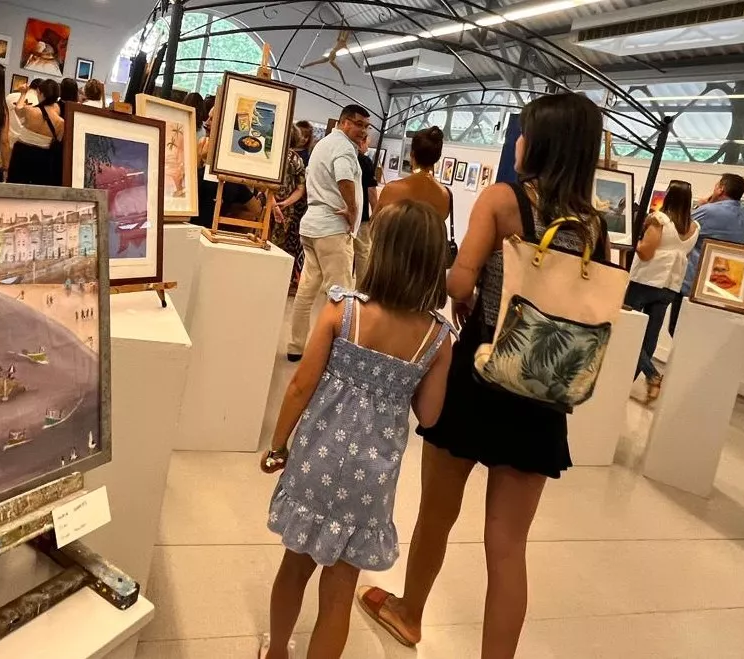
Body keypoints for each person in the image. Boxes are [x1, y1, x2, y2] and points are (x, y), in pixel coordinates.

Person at [356, 92, 610, 658]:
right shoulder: (596, 226)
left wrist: (472, 292)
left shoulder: (503, 200)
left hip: (478, 380)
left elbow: (458, 284)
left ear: (539, 143)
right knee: (509, 547)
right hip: (543, 395)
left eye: (524, 132)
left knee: (436, 515)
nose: (517, 141)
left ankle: (409, 613)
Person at [259, 200, 454, 659]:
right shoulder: (438, 338)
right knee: (341, 588)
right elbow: (430, 415)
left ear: (380, 251)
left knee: (294, 566)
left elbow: (300, 386)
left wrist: (277, 445)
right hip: (370, 479)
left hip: (316, 458)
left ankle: (276, 653)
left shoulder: (341, 312)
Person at [286, 104, 369, 362]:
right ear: (344, 122)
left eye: (366, 126)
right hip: (331, 229)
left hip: (312, 226)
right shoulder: (343, 147)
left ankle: (296, 346)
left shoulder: (322, 144)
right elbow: (344, 178)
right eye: (358, 124)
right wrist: (353, 209)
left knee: (307, 289)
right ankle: (332, 352)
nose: (362, 130)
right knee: (341, 295)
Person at [624, 179, 699, 403]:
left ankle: (651, 373)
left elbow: (646, 253)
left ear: (669, 195)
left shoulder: (659, 220)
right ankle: (629, 380)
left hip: (645, 281)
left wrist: (631, 241)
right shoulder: (694, 228)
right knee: (650, 337)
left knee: (628, 331)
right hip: (670, 287)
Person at [667, 173, 744, 334]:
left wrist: (700, 206)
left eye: (716, 185)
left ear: (721, 189)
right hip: (722, 287)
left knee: (678, 330)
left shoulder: (708, 211)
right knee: (701, 334)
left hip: (692, 284)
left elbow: (678, 230)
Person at [376, 127, 450, 217]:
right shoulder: (444, 195)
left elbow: (374, 224)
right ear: (438, 157)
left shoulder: (392, 189)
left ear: (412, 154)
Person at [6, 78, 65, 185]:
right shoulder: (60, 122)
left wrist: (23, 93)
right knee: (36, 191)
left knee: (14, 187)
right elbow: (59, 139)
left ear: (40, 92)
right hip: (43, 158)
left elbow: (18, 109)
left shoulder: (30, 111)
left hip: (22, 152)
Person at [271, 129, 309, 292]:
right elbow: (300, 189)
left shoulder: (270, 155)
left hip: (268, 204)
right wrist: (285, 203)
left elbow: (260, 183)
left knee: (266, 241)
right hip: (285, 208)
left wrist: (274, 204)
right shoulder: (297, 160)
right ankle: (277, 283)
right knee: (281, 246)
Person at [353, 132, 380, 278]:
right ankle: (361, 288)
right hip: (361, 216)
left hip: (341, 215)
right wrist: (375, 213)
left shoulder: (346, 158)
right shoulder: (365, 162)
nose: (367, 148)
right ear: (361, 142)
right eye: (367, 144)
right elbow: (371, 192)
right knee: (363, 252)